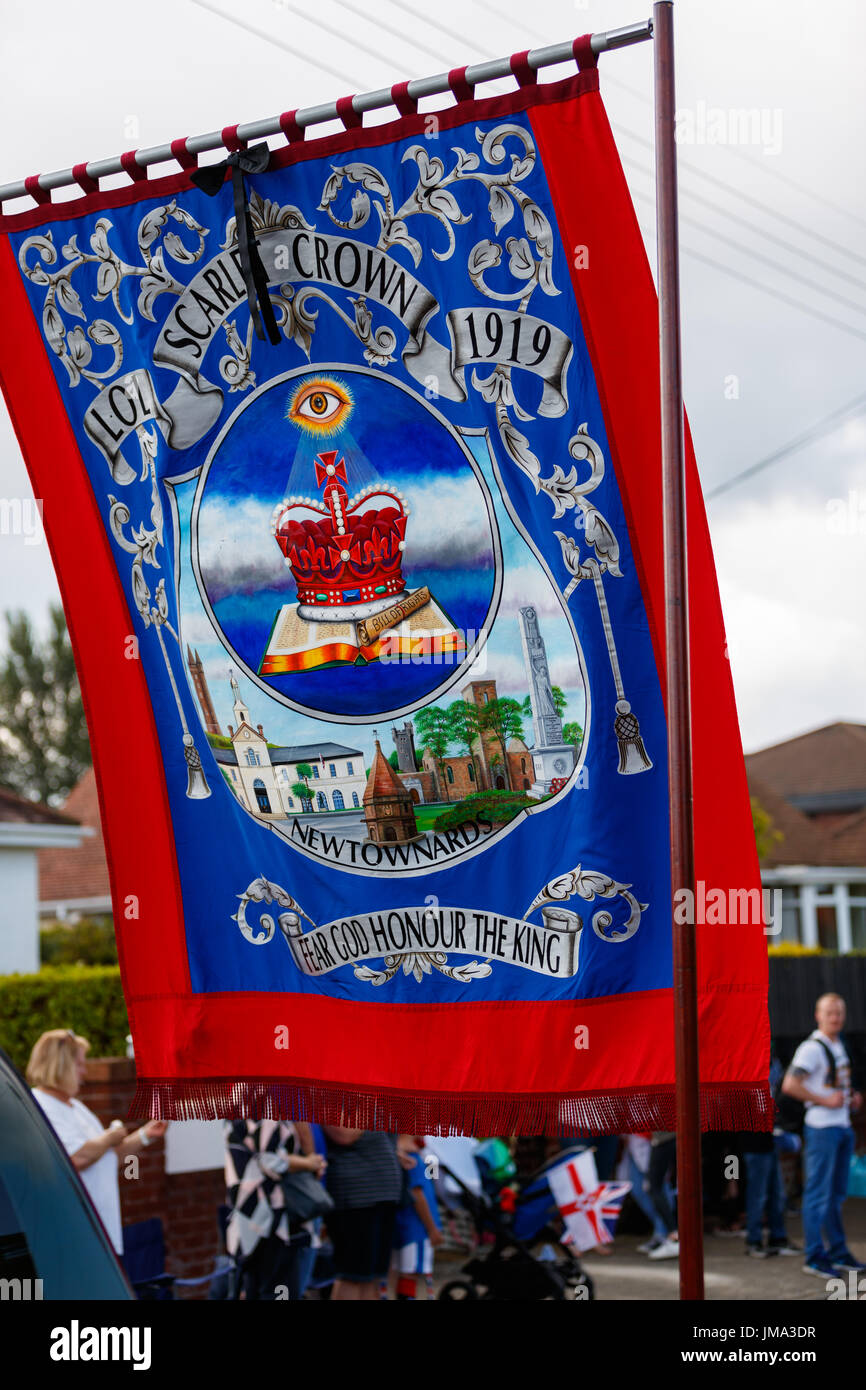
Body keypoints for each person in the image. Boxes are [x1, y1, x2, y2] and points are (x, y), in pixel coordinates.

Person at [27, 1028, 166, 1255]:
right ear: (61, 1066)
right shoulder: (41, 1105)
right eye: (80, 1064)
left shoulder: (75, 1107)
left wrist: (145, 1135)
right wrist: (109, 1137)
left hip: (98, 1233)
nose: (84, 1073)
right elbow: (76, 1158)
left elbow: (107, 1158)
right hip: (72, 1235)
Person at [782, 993, 864, 1278]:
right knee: (818, 1194)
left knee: (836, 1195)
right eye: (830, 1013)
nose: (835, 1018)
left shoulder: (838, 1043)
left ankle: (838, 1252)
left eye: (839, 1012)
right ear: (818, 1015)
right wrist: (823, 1099)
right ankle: (815, 1256)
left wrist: (850, 1098)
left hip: (841, 1126)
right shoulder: (811, 1048)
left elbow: (834, 1083)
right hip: (821, 1129)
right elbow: (790, 1084)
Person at [224, 1118, 326, 1300]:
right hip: (270, 1219)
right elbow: (270, 1160)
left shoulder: (239, 1101)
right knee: (280, 1292)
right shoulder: (263, 1102)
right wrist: (309, 1163)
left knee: (262, 1290)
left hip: (251, 1218)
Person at [322, 1126, 406, 1300]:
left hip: (383, 1197)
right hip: (356, 1199)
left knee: (373, 1277)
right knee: (352, 1275)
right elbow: (344, 1135)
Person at [392, 1136, 443, 1299]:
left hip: (406, 1226)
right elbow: (417, 1194)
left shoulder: (417, 1155)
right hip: (417, 1228)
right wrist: (432, 1228)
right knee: (410, 1274)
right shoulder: (412, 1159)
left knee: (402, 1273)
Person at [646, 1131, 679, 1260]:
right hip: (679, 1134)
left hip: (665, 1136)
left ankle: (674, 1236)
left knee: (655, 1187)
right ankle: (676, 1235)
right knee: (678, 1184)